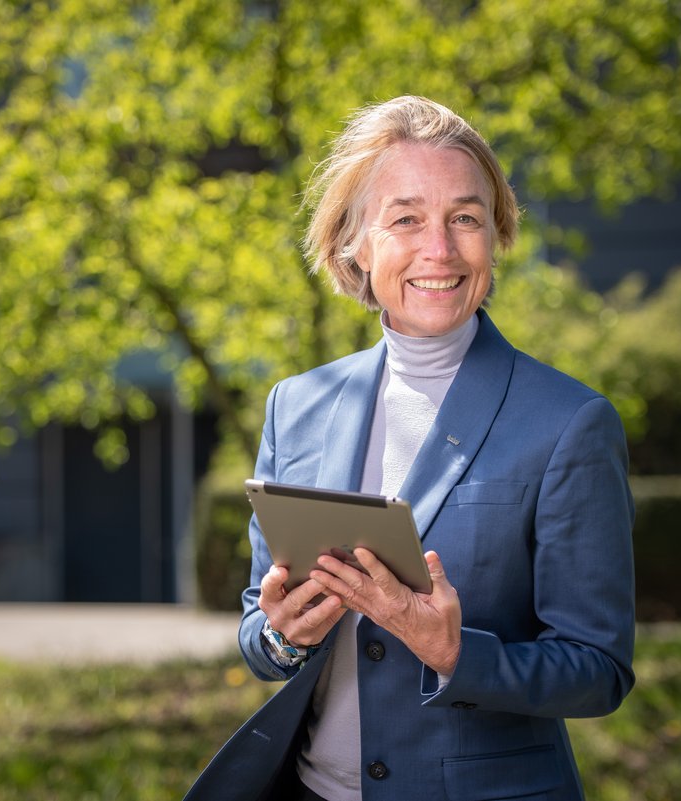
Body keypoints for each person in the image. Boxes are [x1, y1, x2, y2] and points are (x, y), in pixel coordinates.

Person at [184, 95, 635, 801]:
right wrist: (279, 636)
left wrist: (456, 653)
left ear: (497, 232)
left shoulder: (570, 421)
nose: (440, 249)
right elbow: (259, 623)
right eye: (405, 219)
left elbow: (600, 669)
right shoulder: (295, 405)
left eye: (465, 217)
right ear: (355, 244)